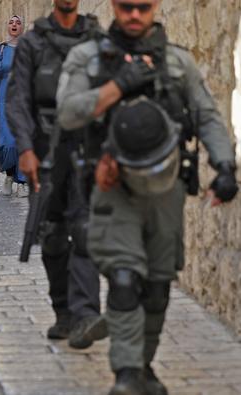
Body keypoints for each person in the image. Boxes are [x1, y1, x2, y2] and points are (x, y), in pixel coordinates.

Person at [57, 0, 238, 393]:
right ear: (113, 7)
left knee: (157, 286)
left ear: (154, 6)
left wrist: (225, 166)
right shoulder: (89, 58)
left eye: (142, 6)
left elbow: (206, 113)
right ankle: (125, 374)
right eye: (126, 6)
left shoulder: (177, 63)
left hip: (166, 187)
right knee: (124, 278)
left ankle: (142, 366)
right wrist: (117, 85)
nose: (134, 15)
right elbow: (69, 113)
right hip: (112, 186)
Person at [6, 0, 106, 349]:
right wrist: (25, 148)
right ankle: (63, 312)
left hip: (85, 147)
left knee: (85, 229)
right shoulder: (34, 43)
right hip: (46, 148)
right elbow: (17, 99)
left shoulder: (96, 38)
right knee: (51, 232)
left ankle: (85, 315)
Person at [0, 15, 27, 196]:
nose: (14, 25)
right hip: (3, 99)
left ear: (22, 28)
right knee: (6, 143)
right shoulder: (0, 50)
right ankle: (9, 172)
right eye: (11, 22)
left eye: (18, 22)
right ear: (7, 27)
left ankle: (22, 180)